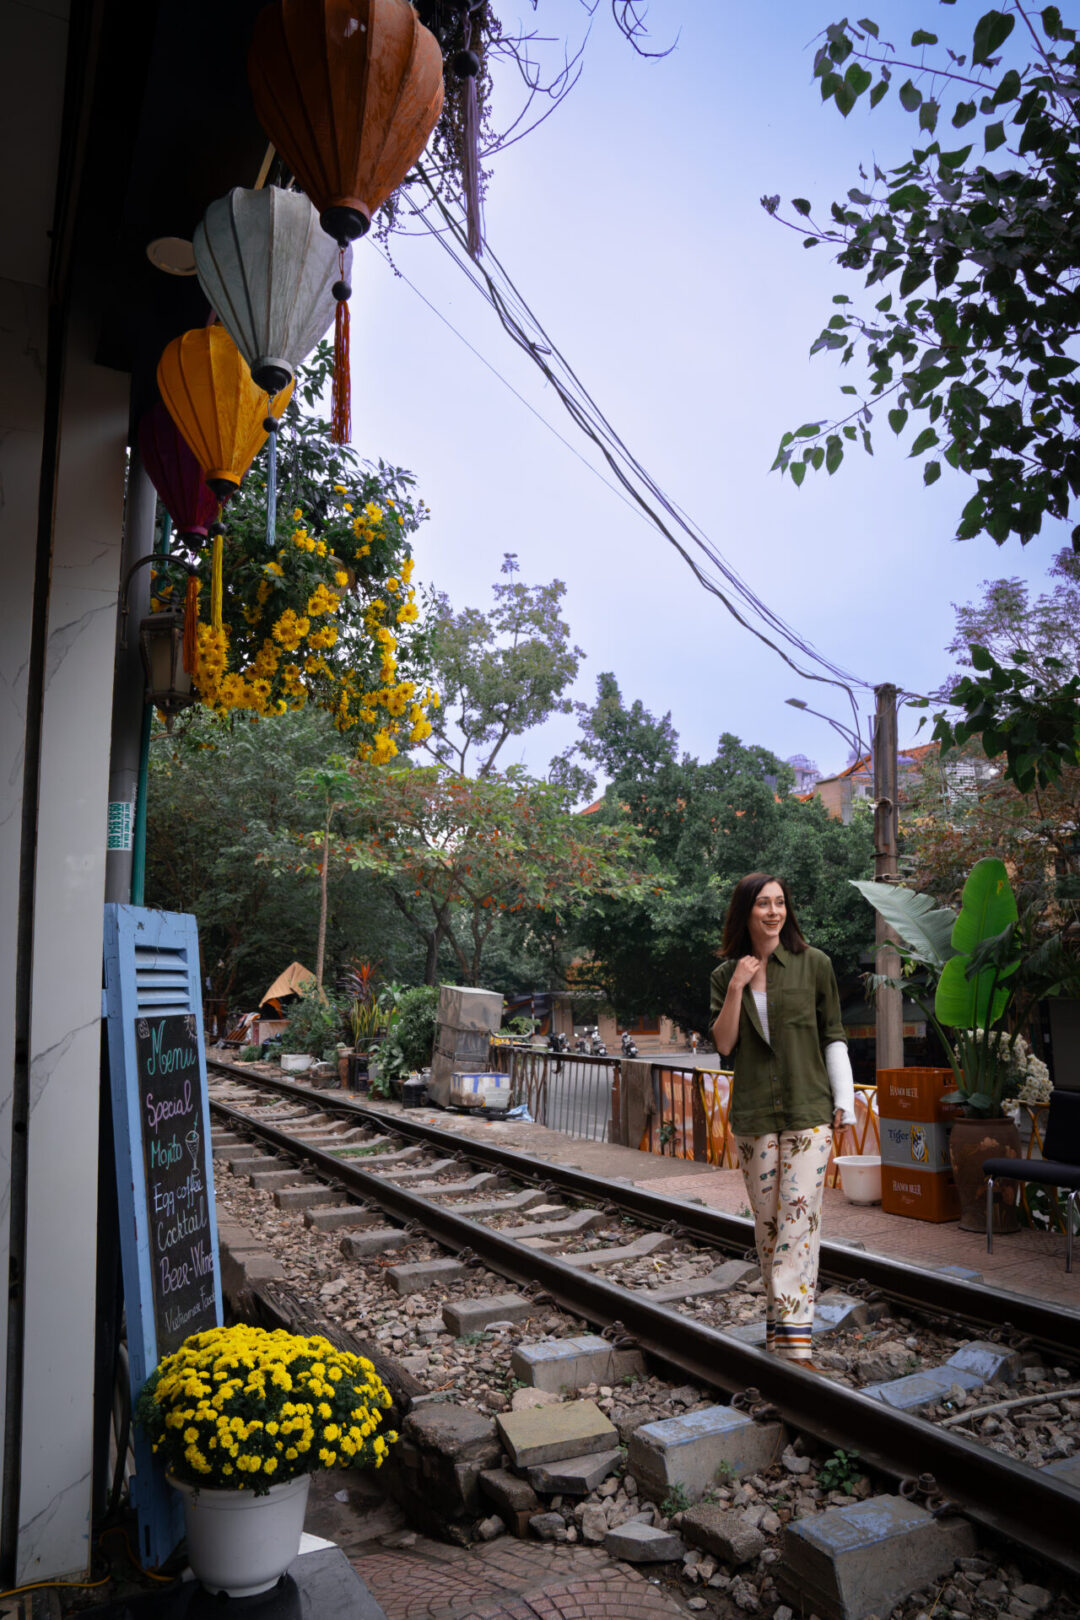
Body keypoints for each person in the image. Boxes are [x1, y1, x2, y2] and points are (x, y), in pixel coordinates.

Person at [710, 872, 855, 1365]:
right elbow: (724, 1045)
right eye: (763, 904)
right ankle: (781, 1333)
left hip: (808, 1110)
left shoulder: (815, 965)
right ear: (746, 912)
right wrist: (736, 987)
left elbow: (833, 1034)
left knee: (798, 1219)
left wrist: (846, 1101)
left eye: (780, 903)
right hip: (754, 1114)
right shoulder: (727, 975)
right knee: (769, 1227)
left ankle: (795, 1343)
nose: (773, 912)